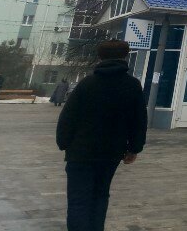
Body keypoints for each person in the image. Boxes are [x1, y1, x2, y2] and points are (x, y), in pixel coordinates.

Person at [56, 41, 147, 231]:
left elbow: (68, 117)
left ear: (100, 57)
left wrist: (64, 142)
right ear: (125, 56)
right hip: (111, 153)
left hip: (81, 152)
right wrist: (134, 148)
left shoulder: (87, 84)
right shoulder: (132, 85)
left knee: (79, 200)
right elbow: (139, 119)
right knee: (100, 195)